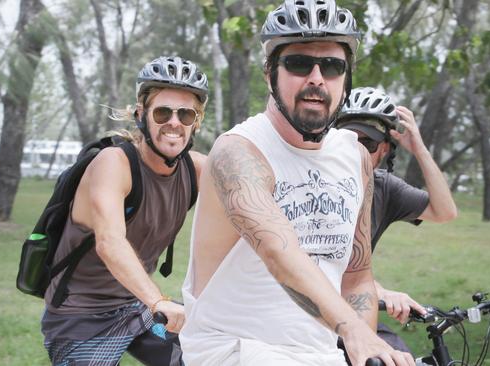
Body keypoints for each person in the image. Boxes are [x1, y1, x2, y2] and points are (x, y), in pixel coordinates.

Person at [180, 1, 415, 365]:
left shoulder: (355, 157)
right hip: (235, 350)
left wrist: (366, 346)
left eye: (333, 66)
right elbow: (279, 251)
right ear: (269, 72)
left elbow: (356, 279)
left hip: (319, 353)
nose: (317, 78)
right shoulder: (238, 152)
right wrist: (351, 330)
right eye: (299, 63)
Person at [40, 56, 208, 366]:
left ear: (195, 121)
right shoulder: (114, 163)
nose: (174, 122)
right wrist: (158, 300)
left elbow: (249, 203)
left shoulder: (195, 168)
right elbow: (110, 242)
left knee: (208, 355)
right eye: (162, 112)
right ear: (141, 115)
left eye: (185, 114)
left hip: (137, 307)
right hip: (81, 316)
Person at [335, 87, 458, 353]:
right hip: (311, 314)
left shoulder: (385, 188)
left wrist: (419, 149)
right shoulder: (315, 185)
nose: (354, 150)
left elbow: (445, 211)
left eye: (366, 143)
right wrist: (382, 293)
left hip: (357, 309)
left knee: (400, 356)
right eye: (345, 139)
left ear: (385, 151)